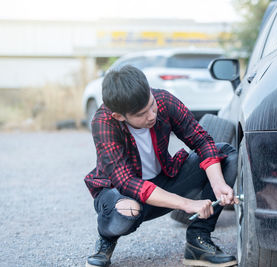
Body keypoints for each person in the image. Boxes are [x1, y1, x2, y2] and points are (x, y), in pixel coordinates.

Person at [84, 65, 238, 267]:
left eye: (151, 104)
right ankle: (107, 237)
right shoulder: (104, 122)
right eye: (141, 113)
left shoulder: (164, 100)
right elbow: (126, 182)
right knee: (127, 211)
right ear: (119, 116)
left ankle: (198, 241)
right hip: (123, 194)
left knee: (225, 154)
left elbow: (201, 140)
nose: (151, 115)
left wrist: (218, 184)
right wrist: (187, 204)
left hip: (165, 180)